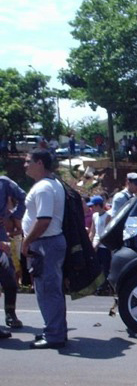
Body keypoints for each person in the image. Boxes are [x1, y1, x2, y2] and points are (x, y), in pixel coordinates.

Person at [21, 148, 67, 349]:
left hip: (45, 244)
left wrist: (26, 241)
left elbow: (43, 220)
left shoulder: (44, 188)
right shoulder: (52, 184)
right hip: (48, 243)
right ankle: (54, 330)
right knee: (50, 290)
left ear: (40, 163)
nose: (25, 165)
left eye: (28, 161)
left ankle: (54, 335)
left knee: (47, 291)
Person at [0, 176, 26, 331]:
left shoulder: (4, 183)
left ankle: (10, 313)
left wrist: (14, 216)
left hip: (2, 236)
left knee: (9, 277)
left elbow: (23, 198)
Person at [87, 195, 111, 294]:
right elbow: (93, 230)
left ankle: (103, 287)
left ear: (98, 205)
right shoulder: (94, 216)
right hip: (95, 244)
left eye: (93, 206)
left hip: (104, 246)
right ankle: (96, 286)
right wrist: (90, 242)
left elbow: (105, 232)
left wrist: (97, 244)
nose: (91, 208)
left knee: (104, 268)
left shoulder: (107, 216)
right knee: (95, 267)